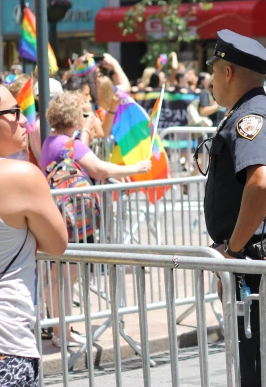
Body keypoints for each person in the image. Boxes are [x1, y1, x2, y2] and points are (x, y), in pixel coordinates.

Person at [202, 30, 266, 387]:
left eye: (214, 71)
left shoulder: (250, 119)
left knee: (262, 378)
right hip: (263, 266)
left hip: (257, 267)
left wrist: (234, 250)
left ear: (227, 72)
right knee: (261, 374)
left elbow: (262, 181)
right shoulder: (265, 112)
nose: (211, 81)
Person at [42, 92, 152, 346]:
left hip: (58, 215)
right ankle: (63, 333)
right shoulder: (72, 145)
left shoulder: (51, 142)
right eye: (82, 114)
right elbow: (100, 169)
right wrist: (136, 168)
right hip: (72, 220)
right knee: (66, 279)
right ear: (74, 118)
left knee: (59, 278)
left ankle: (61, 329)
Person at [0, 70, 68, 386]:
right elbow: (57, 243)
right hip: (3, 343)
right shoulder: (20, 177)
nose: (23, 120)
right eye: (14, 112)